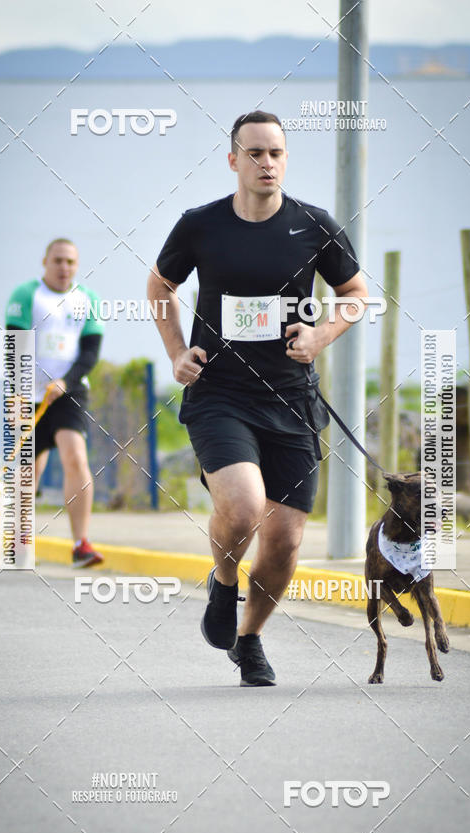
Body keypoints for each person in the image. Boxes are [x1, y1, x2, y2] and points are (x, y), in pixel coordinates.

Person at [147, 111, 369, 686]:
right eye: (255, 153)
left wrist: (321, 334)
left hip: (291, 399)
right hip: (220, 394)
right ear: (233, 161)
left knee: (286, 538)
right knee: (244, 508)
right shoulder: (201, 225)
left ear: (286, 159)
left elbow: (355, 294)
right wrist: (176, 351)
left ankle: (249, 640)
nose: (266, 162)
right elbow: (159, 287)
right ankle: (224, 584)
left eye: (275, 153)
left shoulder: (313, 225)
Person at [5, 238, 105, 568]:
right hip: (26, 395)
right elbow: (15, 347)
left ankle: (80, 544)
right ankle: (18, 543)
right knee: (28, 470)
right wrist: (19, 395)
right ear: (45, 261)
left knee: (75, 456)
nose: (65, 268)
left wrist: (65, 382)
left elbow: (90, 352)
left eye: (71, 262)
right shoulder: (25, 295)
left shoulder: (87, 299)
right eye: (59, 261)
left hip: (69, 393)